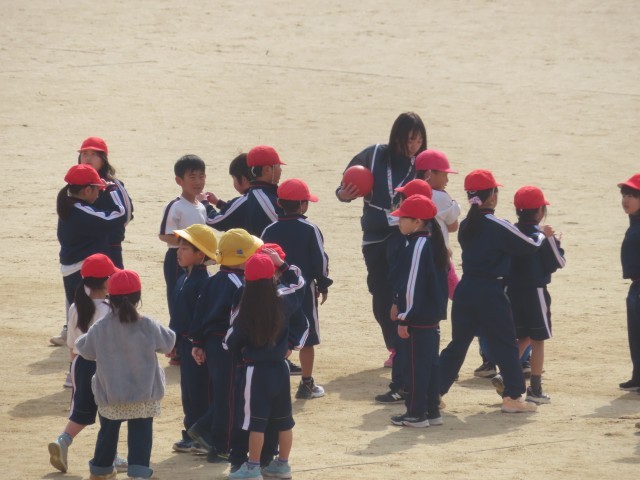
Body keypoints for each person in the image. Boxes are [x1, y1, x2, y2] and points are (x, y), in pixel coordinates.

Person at [438, 169, 553, 413]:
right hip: (490, 290)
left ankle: (433, 392)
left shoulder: (467, 224)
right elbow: (530, 245)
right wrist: (542, 234)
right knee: (505, 345)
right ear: (492, 196)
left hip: (466, 289)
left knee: (458, 345)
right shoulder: (496, 224)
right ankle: (513, 396)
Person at [336, 112, 427, 367]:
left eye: (419, 141)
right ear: (397, 137)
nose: (414, 146)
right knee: (380, 293)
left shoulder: (422, 164)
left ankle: (407, 346)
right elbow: (343, 188)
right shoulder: (374, 154)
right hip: (375, 236)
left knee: (404, 290)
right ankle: (393, 345)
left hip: (405, 235)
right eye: (409, 140)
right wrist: (344, 194)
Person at [75, 270, 175, 480]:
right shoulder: (148, 324)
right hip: (144, 395)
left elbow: (84, 349)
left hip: (112, 394)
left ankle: (101, 470)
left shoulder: (101, 327)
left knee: (108, 433)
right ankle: (138, 472)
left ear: (110, 297)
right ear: (138, 297)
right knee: (141, 433)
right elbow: (169, 342)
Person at [224, 251, 306, 480]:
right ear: (273, 276)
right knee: (284, 422)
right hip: (281, 368)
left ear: (246, 278)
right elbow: (298, 282)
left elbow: (231, 339)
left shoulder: (246, 307)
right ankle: (283, 464)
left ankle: (252, 467)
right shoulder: (284, 299)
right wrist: (282, 264)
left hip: (255, 370)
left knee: (256, 423)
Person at [187, 229, 263, 462]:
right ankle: (220, 445)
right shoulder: (239, 283)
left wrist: (198, 342)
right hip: (226, 343)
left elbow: (199, 313)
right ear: (241, 259)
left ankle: (205, 429)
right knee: (229, 396)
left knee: (223, 393)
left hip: (211, 341)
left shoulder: (213, 280)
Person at [52, 164, 127, 379]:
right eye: (97, 189)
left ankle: (74, 372)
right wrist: (113, 190)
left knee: (81, 321)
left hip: (72, 271)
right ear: (87, 190)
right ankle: (85, 373)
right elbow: (119, 214)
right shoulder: (82, 211)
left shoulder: (70, 208)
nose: (99, 193)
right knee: (90, 321)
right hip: (82, 273)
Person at [262, 178, 333, 399]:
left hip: (276, 290)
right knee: (307, 335)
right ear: (303, 205)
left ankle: (273, 381)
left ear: (279, 203)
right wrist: (323, 284)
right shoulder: (310, 229)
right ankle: (306, 383)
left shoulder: (269, 229)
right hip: (304, 289)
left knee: (277, 333)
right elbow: (320, 260)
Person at [48, 254, 119, 473]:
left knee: (82, 412)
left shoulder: (76, 306)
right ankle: (110, 457)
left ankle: (63, 440)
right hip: (105, 366)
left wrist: (75, 369)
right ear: (106, 281)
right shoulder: (110, 309)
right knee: (111, 414)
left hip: (80, 363)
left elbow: (71, 346)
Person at [384, 195, 448, 427]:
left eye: (403, 218)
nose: (399, 222)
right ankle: (432, 410)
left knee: (414, 368)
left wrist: (405, 317)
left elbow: (412, 285)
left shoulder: (418, 245)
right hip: (430, 315)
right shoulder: (430, 241)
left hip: (418, 316)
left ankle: (416, 413)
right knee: (430, 365)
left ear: (418, 221)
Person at [502, 186, 565, 404]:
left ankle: (504, 375)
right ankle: (535, 389)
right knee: (538, 340)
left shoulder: (511, 231)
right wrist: (554, 240)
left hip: (512, 291)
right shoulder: (542, 235)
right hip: (535, 291)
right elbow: (558, 262)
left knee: (522, 337)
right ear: (539, 211)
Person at [168, 224, 217, 454]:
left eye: (185, 248)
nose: (179, 252)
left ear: (200, 255)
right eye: (179, 247)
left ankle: (204, 435)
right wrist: (173, 341)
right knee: (188, 391)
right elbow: (178, 314)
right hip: (185, 344)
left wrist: (198, 343)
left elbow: (202, 318)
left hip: (199, 347)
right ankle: (190, 432)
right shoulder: (183, 279)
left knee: (200, 391)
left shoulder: (205, 282)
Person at [159, 154, 209, 332]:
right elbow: (164, 235)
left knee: (197, 299)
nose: (198, 182)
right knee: (178, 301)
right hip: (177, 259)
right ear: (179, 180)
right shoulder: (175, 206)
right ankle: (177, 340)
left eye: (201, 176)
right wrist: (188, 245)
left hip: (199, 259)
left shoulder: (202, 206)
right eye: (192, 177)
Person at [77, 136, 134, 268]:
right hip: (82, 247)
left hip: (109, 247)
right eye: (84, 154)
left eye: (94, 154)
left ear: (103, 159)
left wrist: (110, 232)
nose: (88, 158)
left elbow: (126, 214)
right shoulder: (76, 184)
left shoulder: (112, 184)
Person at [618, 174, 640, 391]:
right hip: (636, 286)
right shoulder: (634, 220)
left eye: (632, 195)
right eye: (624, 195)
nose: (625, 199)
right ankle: (638, 376)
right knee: (635, 334)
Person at [245, 145, 285, 236]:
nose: (281, 170)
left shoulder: (253, 194)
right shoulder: (264, 199)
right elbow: (286, 228)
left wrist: (218, 203)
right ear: (267, 170)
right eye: (278, 166)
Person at [206, 153, 252, 232]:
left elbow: (215, 221)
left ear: (243, 179)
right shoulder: (263, 194)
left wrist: (204, 204)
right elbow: (236, 212)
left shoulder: (248, 198)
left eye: (233, 178)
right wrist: (218, 203)